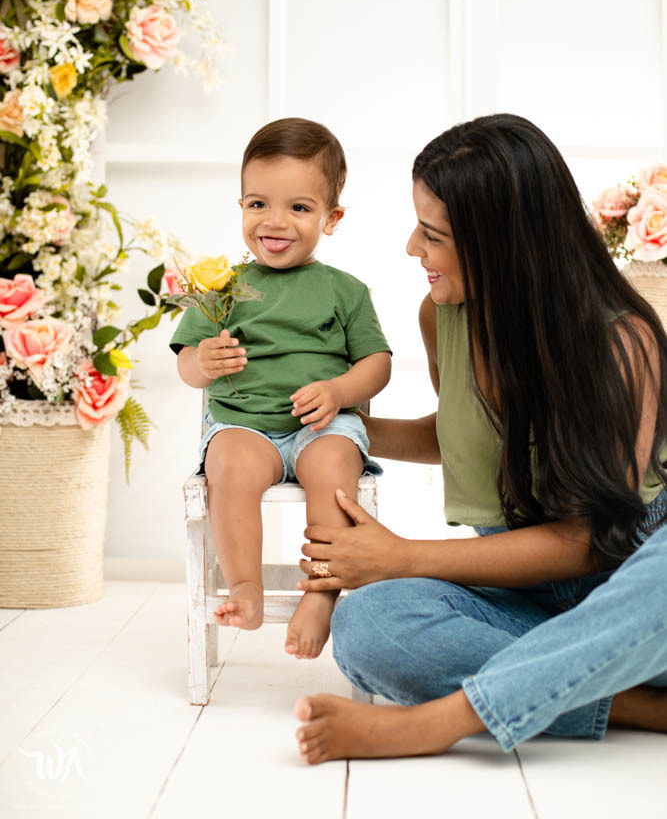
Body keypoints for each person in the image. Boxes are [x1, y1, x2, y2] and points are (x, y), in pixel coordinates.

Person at [292, 113, 667, 763]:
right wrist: (345, 427)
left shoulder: (621, 344)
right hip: (523, 598)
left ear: (503, 245)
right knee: (368, 623)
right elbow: (462, 437)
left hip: (632, 586)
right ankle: (631, 703)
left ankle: (442, 721)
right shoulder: (442, 315)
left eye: (432, 235)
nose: (412, 247)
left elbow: (587, 542)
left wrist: (403, 555)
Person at [170, 118, 391, 659]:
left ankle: (321, 590)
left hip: (322, 426)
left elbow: (377, 364)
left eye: (299, 207)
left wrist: (339, 391)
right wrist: (204, 360)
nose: (275, 221)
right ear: (241, 205)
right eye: (258, 204)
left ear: (331, 218)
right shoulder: (222, 288)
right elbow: (187, 368)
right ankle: (245, 585)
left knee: (333, 467)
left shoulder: (345, 290)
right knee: (229, 463)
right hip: (245, 425)